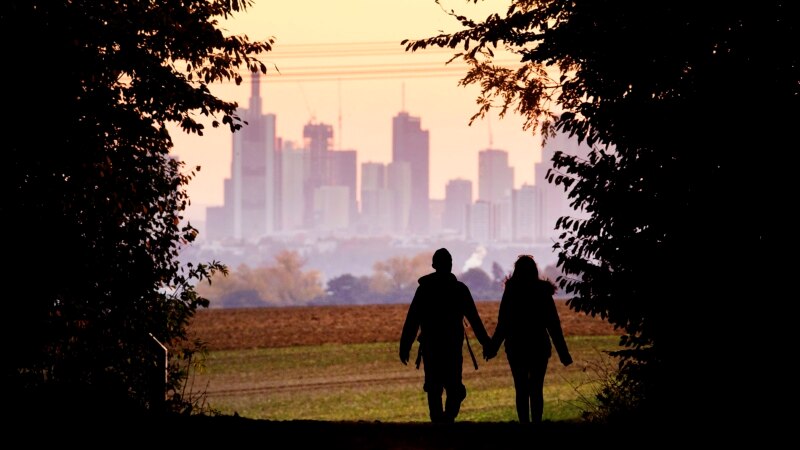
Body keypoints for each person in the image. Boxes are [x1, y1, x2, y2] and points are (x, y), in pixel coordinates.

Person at [399, 248, 492, 423]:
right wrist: (487, 344)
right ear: (450, 265)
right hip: (452, 346)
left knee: (434, 386)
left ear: (434, 265)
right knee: (453, 386)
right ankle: (448, 420)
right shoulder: (460, 290)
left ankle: (438, 423)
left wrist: (405, 346)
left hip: (430, 346)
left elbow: (412, 320)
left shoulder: (424, 290)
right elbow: (475, 320)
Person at [484, 254, 573, 424]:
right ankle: (536, 426)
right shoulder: (543, 292)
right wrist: (564, 354)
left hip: (516, 347)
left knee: (521, 389)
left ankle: (524, 426)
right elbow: (554, 325)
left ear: (516, 271)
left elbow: (503, 324)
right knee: (536, 388)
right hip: (539, 346)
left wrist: (492, 348)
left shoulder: (511, 292)